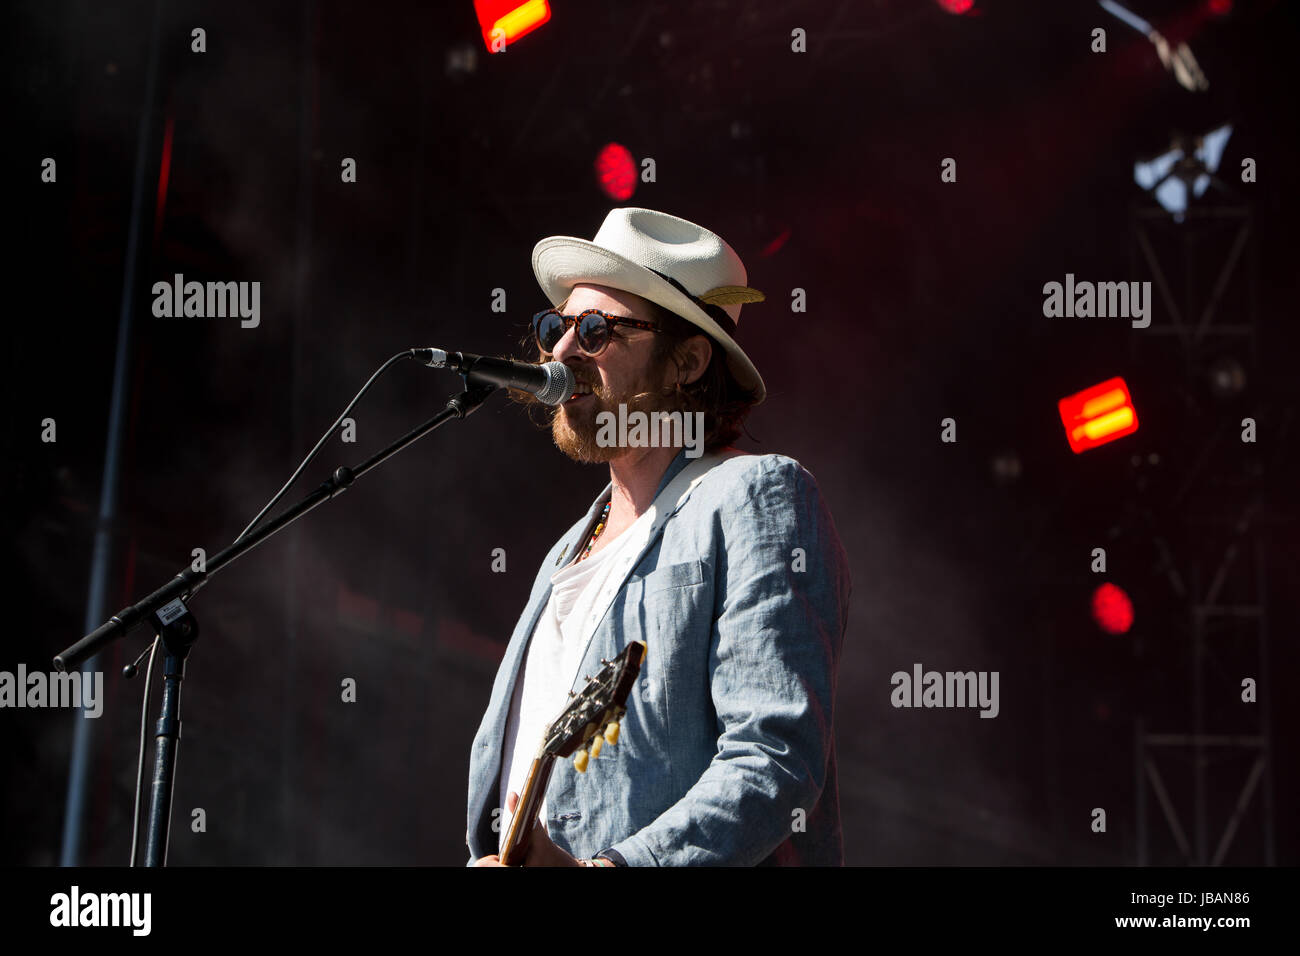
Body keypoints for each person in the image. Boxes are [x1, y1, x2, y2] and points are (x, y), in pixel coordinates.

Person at [465, 207, 851, 866]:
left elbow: (775, 759)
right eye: (556, 327)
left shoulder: (751, 497)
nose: (560, 352)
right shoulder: (565, 552)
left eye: (595, 331)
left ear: (689, 360)